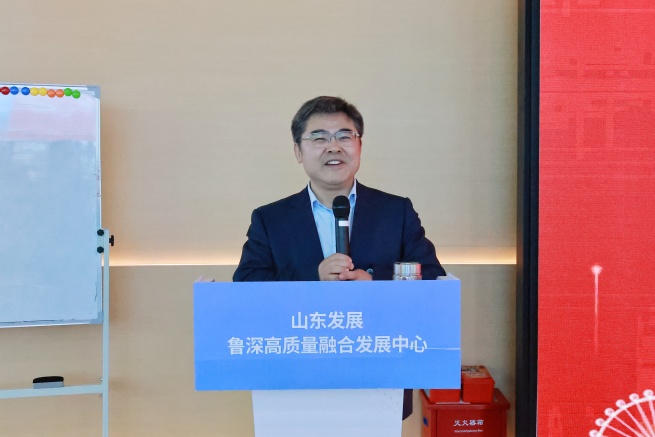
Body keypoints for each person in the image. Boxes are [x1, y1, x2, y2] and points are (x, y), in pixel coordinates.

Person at [233, 96, 446, 419]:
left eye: (345, 136)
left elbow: (431, 276)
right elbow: (246, 287)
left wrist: (374, 281)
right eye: (319, 138)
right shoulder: (270, 218)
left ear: (359, 146)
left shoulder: (395, 211)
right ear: (298, 151)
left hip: (379, 375)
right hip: (295, 375)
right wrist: (313, 277)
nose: (334, 147)